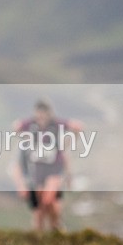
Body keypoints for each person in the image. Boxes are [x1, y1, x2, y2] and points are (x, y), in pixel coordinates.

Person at [11, 99, 82, 233]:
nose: (41, 118)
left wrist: (65, 145)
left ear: (49, 114)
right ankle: (49, 231)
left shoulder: (56, 124)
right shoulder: (31, 125)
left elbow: (77, 126)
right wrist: (28, 141)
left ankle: (55, 226)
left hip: (54, 170)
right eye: (38, 114)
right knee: (41, 210)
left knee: (48, 200)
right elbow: (16, 127)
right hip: (37, 172)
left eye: (44, 114)